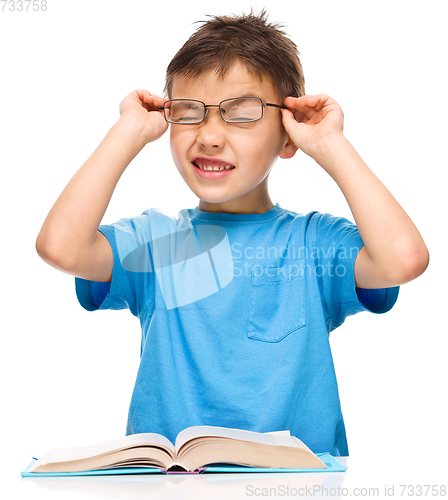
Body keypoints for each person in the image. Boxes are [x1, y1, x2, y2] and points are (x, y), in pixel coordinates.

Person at [35, 10, 429, 457]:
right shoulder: (158, 243)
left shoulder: (313, 244)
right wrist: (128, 130)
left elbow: (404, 259)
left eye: (240, 113)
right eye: (189, 112)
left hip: (300, 487)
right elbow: (59, 246)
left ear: (287, 134)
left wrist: (329, 144)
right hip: (173, 488)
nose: (209, 136)